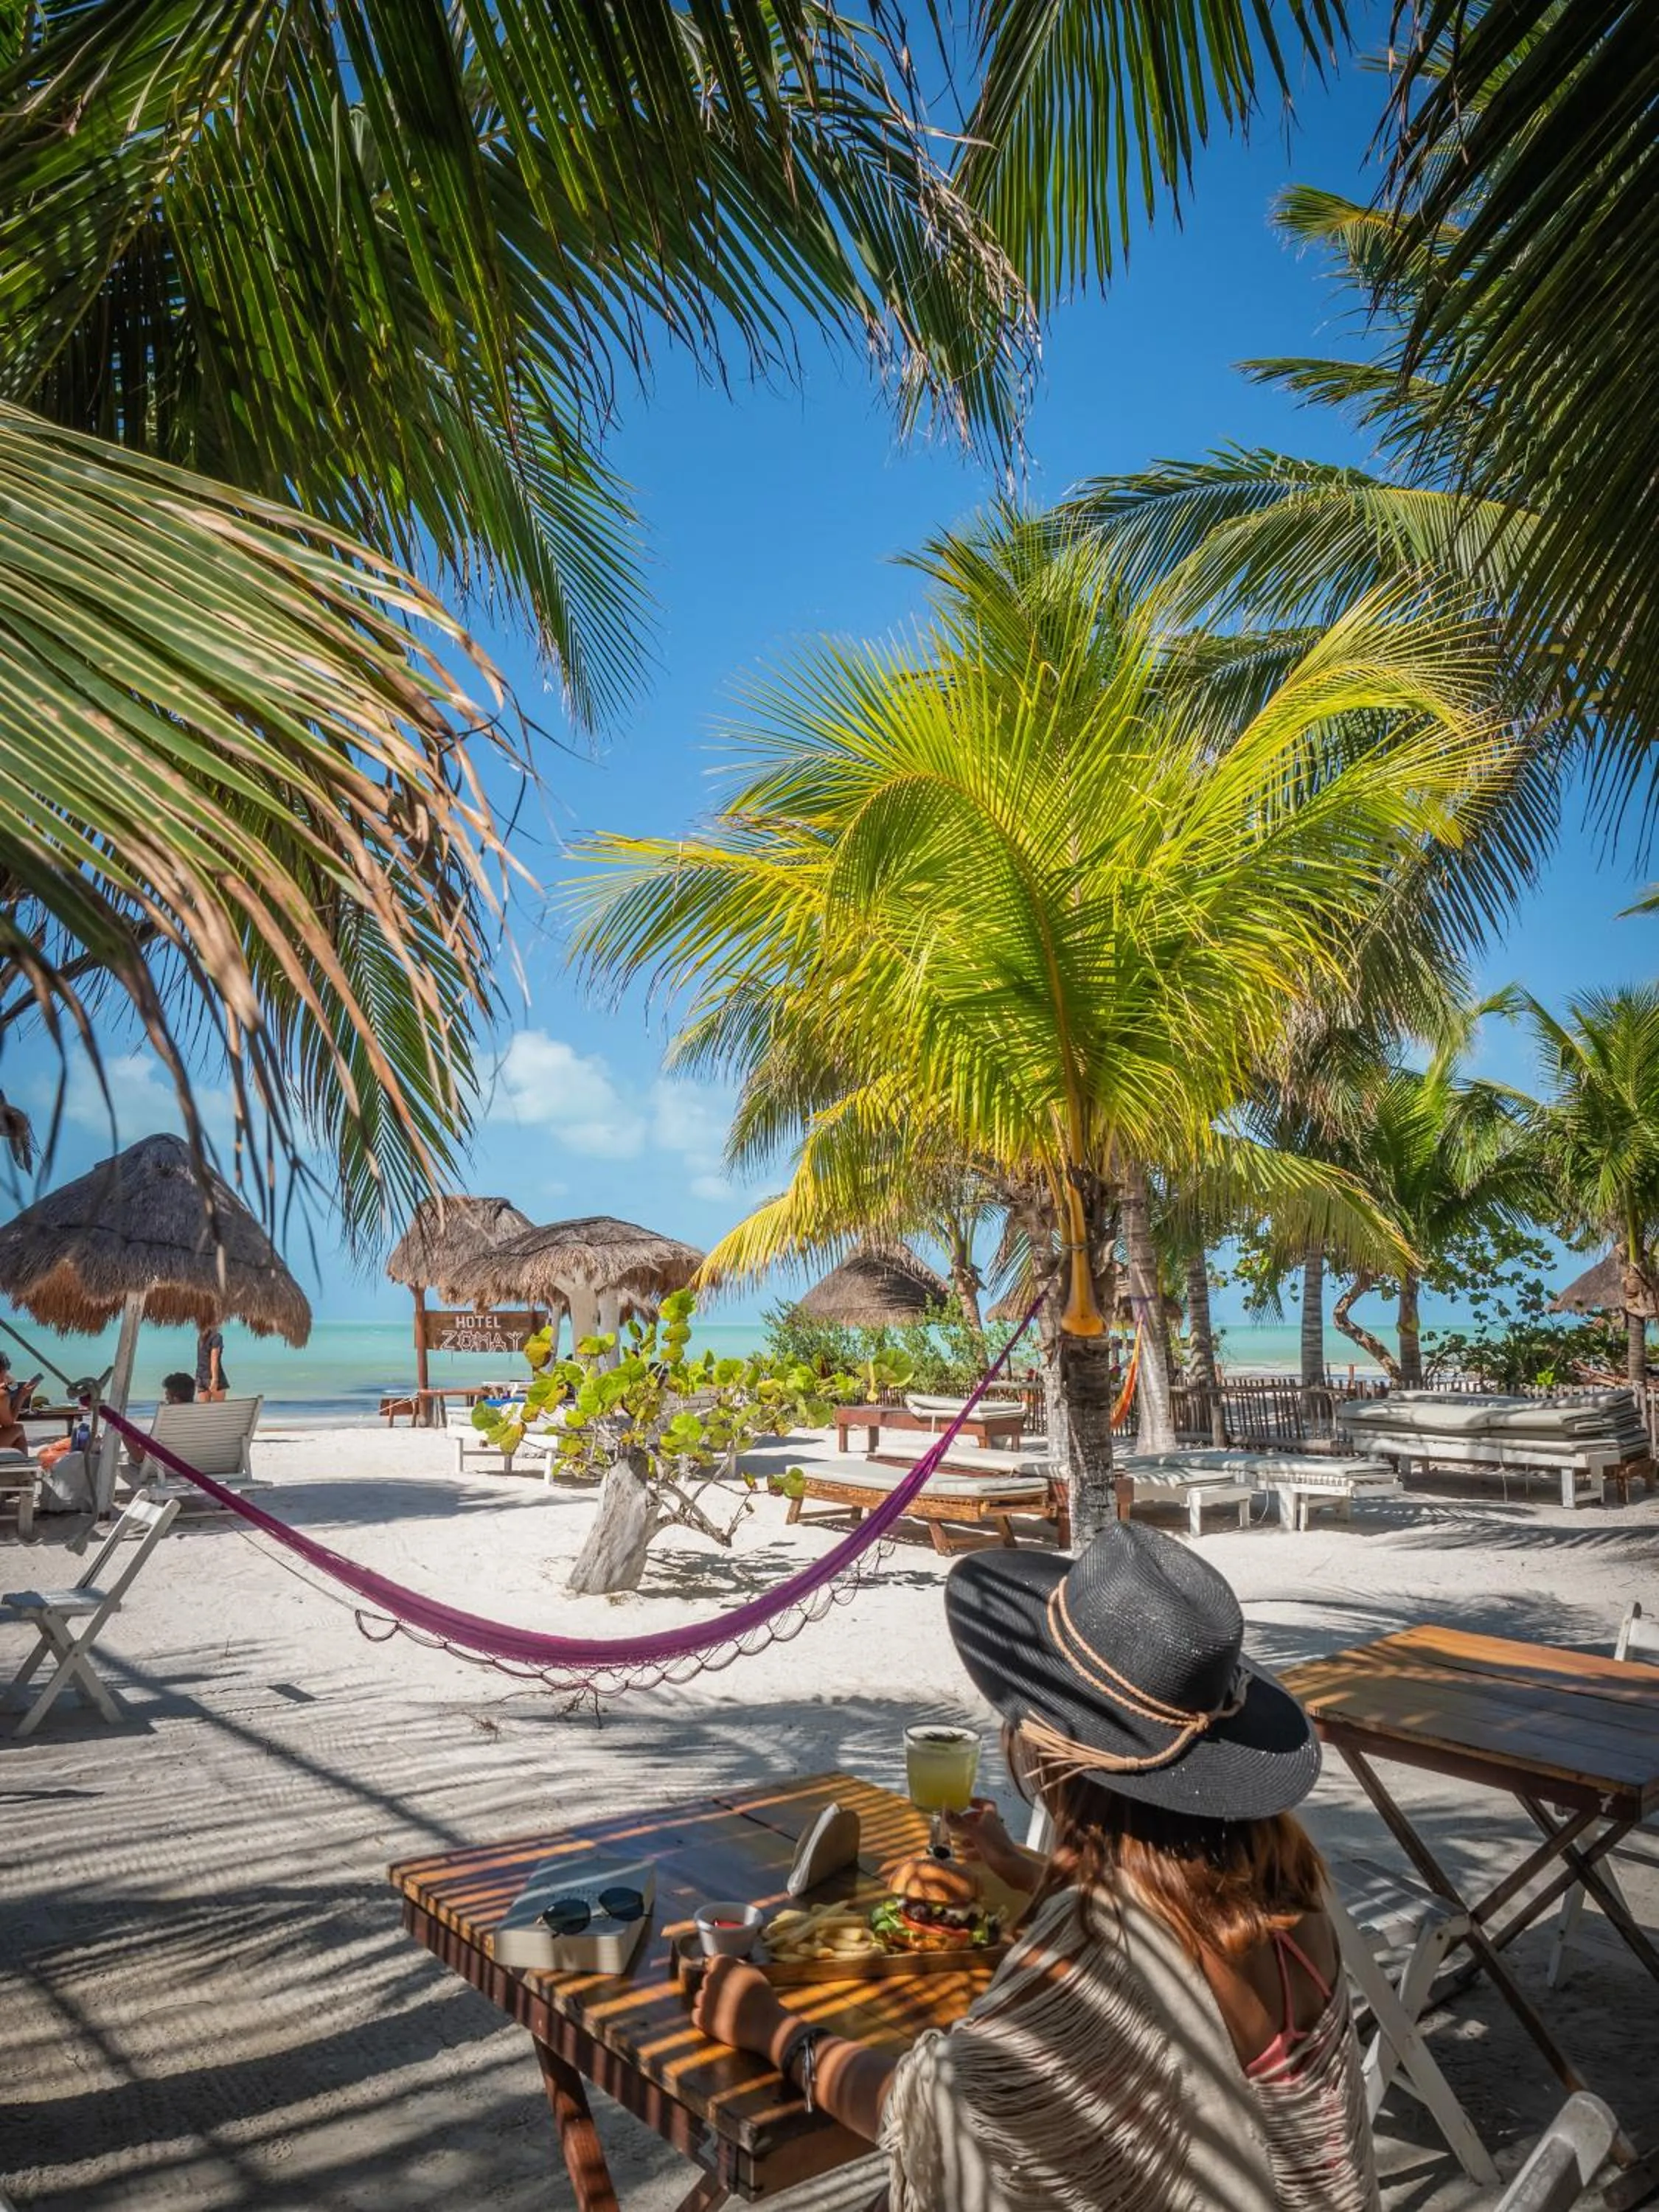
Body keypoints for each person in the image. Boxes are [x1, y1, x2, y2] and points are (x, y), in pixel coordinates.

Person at [692, 1523, 1380, 2211]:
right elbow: (1172, 1917)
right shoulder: (1285, 1884)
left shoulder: (1103, 1954)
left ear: (1054, 1755)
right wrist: (1018, 1867)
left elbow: (940, 2116)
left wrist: (774, 2032)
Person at [0, 1350, 41, 1452]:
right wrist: (22, 1397)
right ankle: (22, 1463)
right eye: (7, 1369)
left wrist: (10, 1383)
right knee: (18, 1429)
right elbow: (8, 1424)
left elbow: (12, 1386)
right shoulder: (2, 1395)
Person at [195, 1325, 227, 1402]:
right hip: (213, 1377)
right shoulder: (217, 1337)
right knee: (219, 1410)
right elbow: (214, 1358)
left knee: (204, 1410)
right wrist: (215, 1379)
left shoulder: (201, 1337)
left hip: (200, 1377)